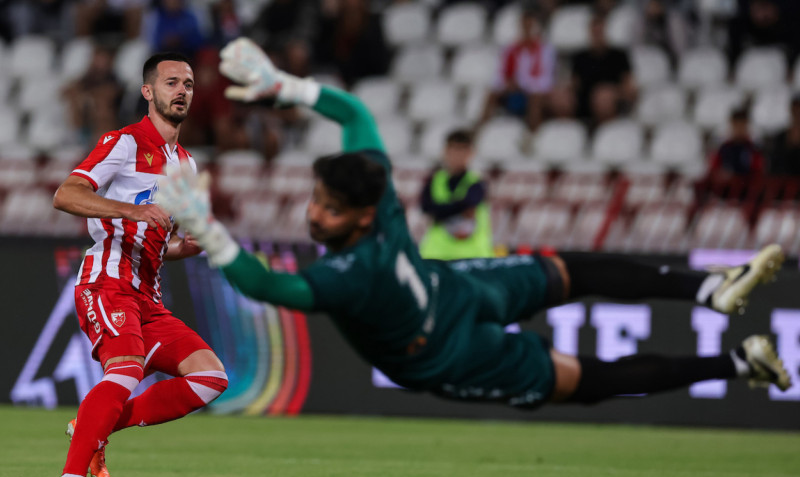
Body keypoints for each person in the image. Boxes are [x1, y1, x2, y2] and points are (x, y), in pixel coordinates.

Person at [158, 38, 790, 435]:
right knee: (582, 332)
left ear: (361, 217)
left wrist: (210, 227)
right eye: (317, 200)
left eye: (327, 208)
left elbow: (269, 285)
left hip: (449, 324)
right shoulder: (377, 203)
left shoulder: (352, 269)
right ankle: (727, 337)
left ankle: (720, 315)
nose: (314, 215)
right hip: (449, 320)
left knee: (581, 324)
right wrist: (288, 90)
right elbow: (353, 113)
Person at [48, 52, 229, 477]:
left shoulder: (185, 164)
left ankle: (97, 425)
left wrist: (182, 248)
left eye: (188, 84)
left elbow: (154, 238)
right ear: (148, 91)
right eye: (171, 82)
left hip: (148, 295)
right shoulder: (124, 142)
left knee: (210, 377)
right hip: (107, 280)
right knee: (126, 369)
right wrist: (131, 210)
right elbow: (66, 194)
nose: (182, 90)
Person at [418, 128, 494, 261]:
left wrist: (439, 211)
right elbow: (426, 208)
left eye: (462, 150)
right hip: (437, 255)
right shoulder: (434, 180)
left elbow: (468, 203)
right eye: (454, 150)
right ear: (445, 152)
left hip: (472, 256)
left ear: (470, 153)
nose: (457, 156)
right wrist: (458, 208)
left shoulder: (477, 182)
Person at [478, 6, 556, 131]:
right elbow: (500, 75)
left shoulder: (545, 50)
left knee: (535, 99)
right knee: (491, 93)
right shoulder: (511, 49)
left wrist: (522, 84)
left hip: (533, 91)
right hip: (514, 90)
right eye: (524, 26)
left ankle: (533, 133)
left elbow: (546, 80)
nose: (526, 30)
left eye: (529, 26)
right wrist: (507, 84)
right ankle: (481, 129)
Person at [571, 14, 636, 126]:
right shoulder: (580, 58)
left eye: (600, 32)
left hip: (612, 100)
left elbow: (628, 86)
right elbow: (575, 86)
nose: (597, 36)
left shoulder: (619, 56)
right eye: (595, 32)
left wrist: (612, 93)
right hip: (585, 102)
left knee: (603, 97)